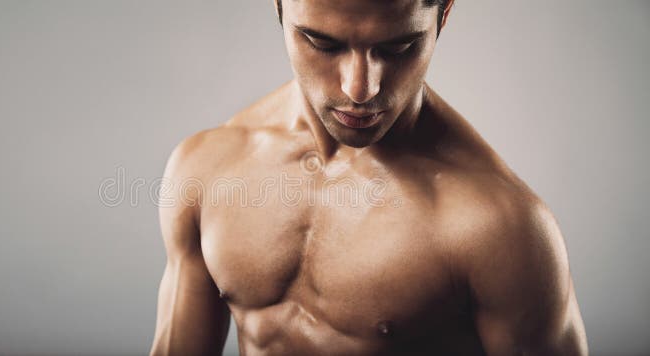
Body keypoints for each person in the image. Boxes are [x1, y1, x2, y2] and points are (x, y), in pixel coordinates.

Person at [150, 0, 588, 354]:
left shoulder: (500, 228)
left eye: (398, 47)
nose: (360, 89)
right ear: (278, 6)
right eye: (322, 43)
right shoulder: (206, 168)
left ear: (445, 13)